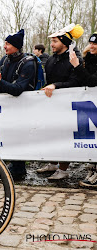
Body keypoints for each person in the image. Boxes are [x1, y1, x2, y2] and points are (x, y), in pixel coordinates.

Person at [0, 29, 35, 180]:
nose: (4, 46)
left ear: (16, 45)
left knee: (18, 136)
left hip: (23, 107)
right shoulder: (4, 60)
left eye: (7, 43)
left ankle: (19, 169)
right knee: (7, 135)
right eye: (5, 43)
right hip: (6, 107)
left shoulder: (28, 63)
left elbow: (18, 89)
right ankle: (13, 164)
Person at [38, 23, 84, 180]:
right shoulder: (51, 59)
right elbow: (48, 79)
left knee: (64, 135)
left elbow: (76, 82)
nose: (51, 44)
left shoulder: (74, 58)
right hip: (52, 104)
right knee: (50, 133)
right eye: (51, 41)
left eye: (55, 41)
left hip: (68, 105)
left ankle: (63, 169)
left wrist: (56, 86)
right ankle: (53, 163)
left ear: (64, 42)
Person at [69, 32, 97, 187]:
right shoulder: (87, 58)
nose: (92, 46)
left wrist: (77, 66)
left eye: (96, 44)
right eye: (91, 43)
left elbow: (92, 81)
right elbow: (80, 78)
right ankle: (92, 169)